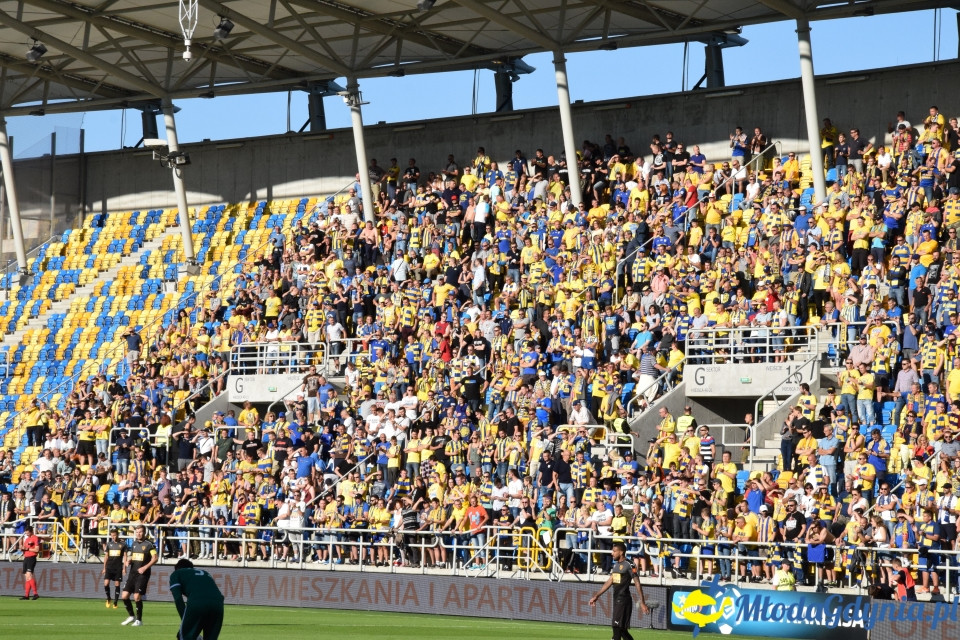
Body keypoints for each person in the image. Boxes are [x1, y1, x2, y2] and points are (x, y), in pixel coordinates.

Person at [589, 542, 650, 640]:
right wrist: (597, 596)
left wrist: (642, 602)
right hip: (617, 600)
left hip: (624, 600)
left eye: (614, 551)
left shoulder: (630, 565)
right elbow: (610, 581)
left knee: (617, 628)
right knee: (621, 630)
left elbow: (637, 583)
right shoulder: (616, 565)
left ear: (621, 552)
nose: (612, 553)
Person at [169, 558, 225, 640]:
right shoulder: (205, 573)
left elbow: (178, 598)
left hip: (197, 603)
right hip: (218, 604)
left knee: (183, 637)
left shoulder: (177, 573)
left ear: (177, 568)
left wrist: (184, 619)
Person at [121, 524, 158, 626]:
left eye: (140, 532)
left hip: (143, 574)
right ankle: (131, 616)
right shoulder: (133, 544)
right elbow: (133, 556)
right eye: (137, 532)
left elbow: (155, 558)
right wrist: (129, 561)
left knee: (137, 597)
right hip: (132, 574)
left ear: (144, 532)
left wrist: (145, 567)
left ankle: (139, 620)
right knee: (124, 596)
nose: (138, 534)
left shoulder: (149, 544)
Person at [101, 528, 126, 608]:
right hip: (109, 567)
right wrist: (104, 568)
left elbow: (125, 556)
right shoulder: (109, 544)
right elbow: (106, 556)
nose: (113, 537)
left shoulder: (123, 544)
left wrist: (124, 568)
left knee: (117, 584)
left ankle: (115, 602)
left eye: (114, 535)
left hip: (118, 567)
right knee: (106, 583)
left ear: (117, 535)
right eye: (112, 536)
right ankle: (108, 598)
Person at [19, 524, 40, 600]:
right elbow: (25, 548)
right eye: (26, 533)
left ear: (31, 532)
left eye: (28, 533)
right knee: (27, 577)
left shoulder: (35, 538)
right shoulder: (26, 539)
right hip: (26, 558)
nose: (27, 534)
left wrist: (27, 549)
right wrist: (22, 548)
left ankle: (35, 593)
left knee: (29, 575)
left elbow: (37, 549)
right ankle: (26, 595)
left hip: (32, 558)